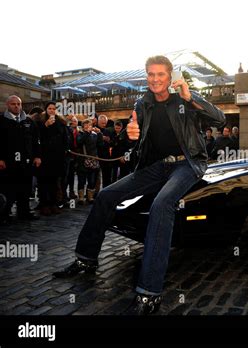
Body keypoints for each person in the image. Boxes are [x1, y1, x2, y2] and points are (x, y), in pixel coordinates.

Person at [53, 55, 226, 315]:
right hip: (155, 167)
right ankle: (86, 259)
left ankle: (149, 294)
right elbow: (130, 138)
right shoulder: (142, 103)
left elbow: (220, 119)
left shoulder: (185, 100)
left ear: (171, 77)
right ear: (147, 76)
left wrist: (191, 96)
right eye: (151, 74)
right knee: (106, 195)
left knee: (161, 204)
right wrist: (129, 136)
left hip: (186, 164)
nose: (155, 79)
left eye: (161, 75)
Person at [0, 96, 41, 222]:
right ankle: (4, 215)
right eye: (13, 104)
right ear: (7, 105)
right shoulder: (1, 121)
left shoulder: (28, 122)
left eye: (19, 104)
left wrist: (37, 156)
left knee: (25, 189)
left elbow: (36, 141)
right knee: (8, 190)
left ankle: (24, 213)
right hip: (8, 163)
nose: (16, 106)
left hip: (26, 163)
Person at [37, 102, 69, 216]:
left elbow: (65, 138)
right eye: (49, 108)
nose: (52, 110)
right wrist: (45, 126)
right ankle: (44, 205)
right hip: (45, 157)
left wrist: (65, 150)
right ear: (46, 110)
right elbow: (38, 138)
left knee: (55, 183)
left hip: (58, 157)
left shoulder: (61, 122)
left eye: (54, 109)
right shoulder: (40, 122)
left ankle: (53, 204)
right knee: (44, 182)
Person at [76, 119, 103, 204]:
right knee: (81, 180)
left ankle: (90, 197)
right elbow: (79, 142)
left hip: (93, 160)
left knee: (91, 180)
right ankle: (81, 198)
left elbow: (100, 145)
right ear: (83, 127)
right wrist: (87, 133)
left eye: (89, 125)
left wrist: (100, 134)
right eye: (86, 125)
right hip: (82, 161)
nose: (88, 127)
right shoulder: (80, 134)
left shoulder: (95, 135)